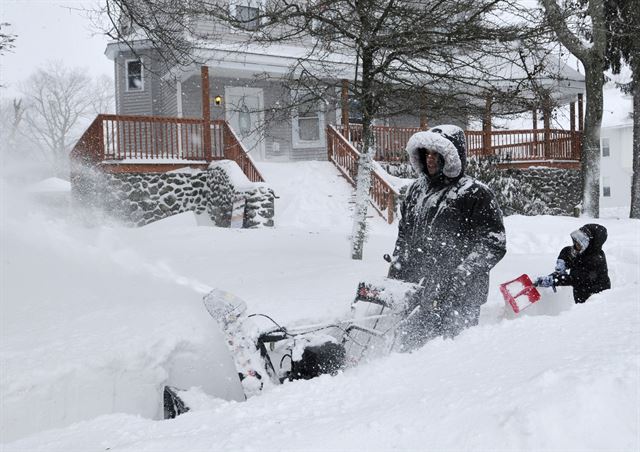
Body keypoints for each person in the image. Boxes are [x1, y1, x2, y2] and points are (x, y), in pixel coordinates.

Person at [389, 125, 506, 350]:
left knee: (449, 354)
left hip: (459, 296)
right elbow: (404, 233)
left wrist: (461, 275)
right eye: (427, 154)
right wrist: (398, 264)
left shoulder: (474, 193)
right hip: (418, 286)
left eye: (436, 154)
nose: (430, 160)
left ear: (450, 156)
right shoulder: (416, 191)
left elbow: (493, 243)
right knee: (409, 351)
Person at [534, 224, 611, 304]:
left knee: (582, 311)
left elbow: (575, 279)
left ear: (589, 244)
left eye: (579, 244)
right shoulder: (583, 251)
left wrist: (554, 280)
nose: (575, 246)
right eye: (575, 242)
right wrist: (562, 262)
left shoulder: (595, 260)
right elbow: (567, 251)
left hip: (595, 297)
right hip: (581, 290)